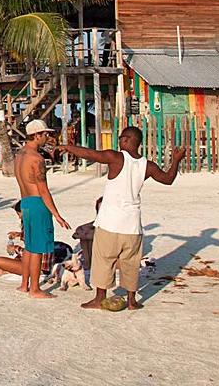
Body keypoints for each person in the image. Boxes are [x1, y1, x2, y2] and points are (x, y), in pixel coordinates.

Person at [57, 126, 187, 311]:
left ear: (126, 139)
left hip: (110, 222)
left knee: (103, 260)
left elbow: (91, 154)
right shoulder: (147, 165)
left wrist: (68, 148)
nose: (118, 141)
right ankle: (132, 301)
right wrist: (176, 161)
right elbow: (168, 179)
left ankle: (99, 298)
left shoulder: (116, 157)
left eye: (120, 138)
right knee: (131, 263)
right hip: (132, 225)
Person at [13, 120, 71, 299]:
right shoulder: (36, 159)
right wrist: (57, 214)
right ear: (37, 135)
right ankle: (35, 289)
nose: (47, 137)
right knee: (37, 248)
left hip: (25, 202)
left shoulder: (19, 155)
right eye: (45, 134)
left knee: (29, 246)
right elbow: (43, 190)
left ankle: (25, 284)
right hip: (38, 203)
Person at [72, 197, 103, 285]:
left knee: (90, 236)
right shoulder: (98, 221)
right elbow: (79, 231)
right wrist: (83, 231)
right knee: (85, 237)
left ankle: (90, 265)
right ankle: (88, 264)